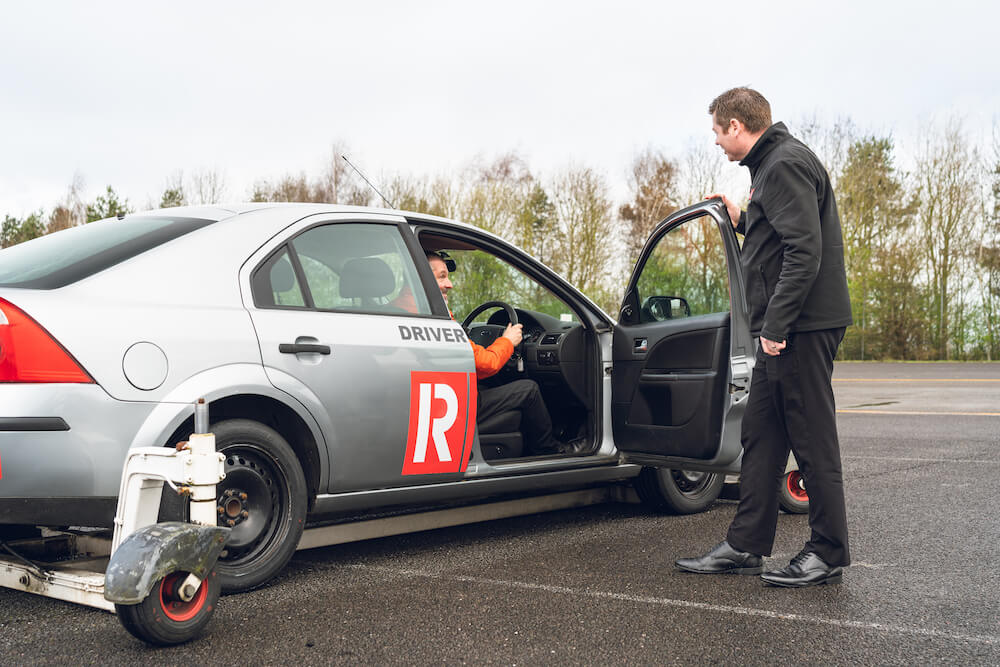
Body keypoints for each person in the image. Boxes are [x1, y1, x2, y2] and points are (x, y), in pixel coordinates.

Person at [674, 87, 853, 587]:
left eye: (716, 131)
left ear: (736, 126)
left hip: (800, 327)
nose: (715, 141)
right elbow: (779, 233)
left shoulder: (784, 165)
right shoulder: (772, 167)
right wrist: (741, 219)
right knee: (761, 434)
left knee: (812, 439)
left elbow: (803, 252)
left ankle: (827, 551)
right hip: (786, 326)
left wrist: (776, 326)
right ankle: (746, 544)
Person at [425, 252, 585, 456]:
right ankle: (550, 449)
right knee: (529, 390)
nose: (450, 284)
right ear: (424, 280)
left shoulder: (418, 311)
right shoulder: (438, 319)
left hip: (439, 395)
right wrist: (508, 341)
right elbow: (486, 363)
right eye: (442, 276)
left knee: (490, 384)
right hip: (453, 401)